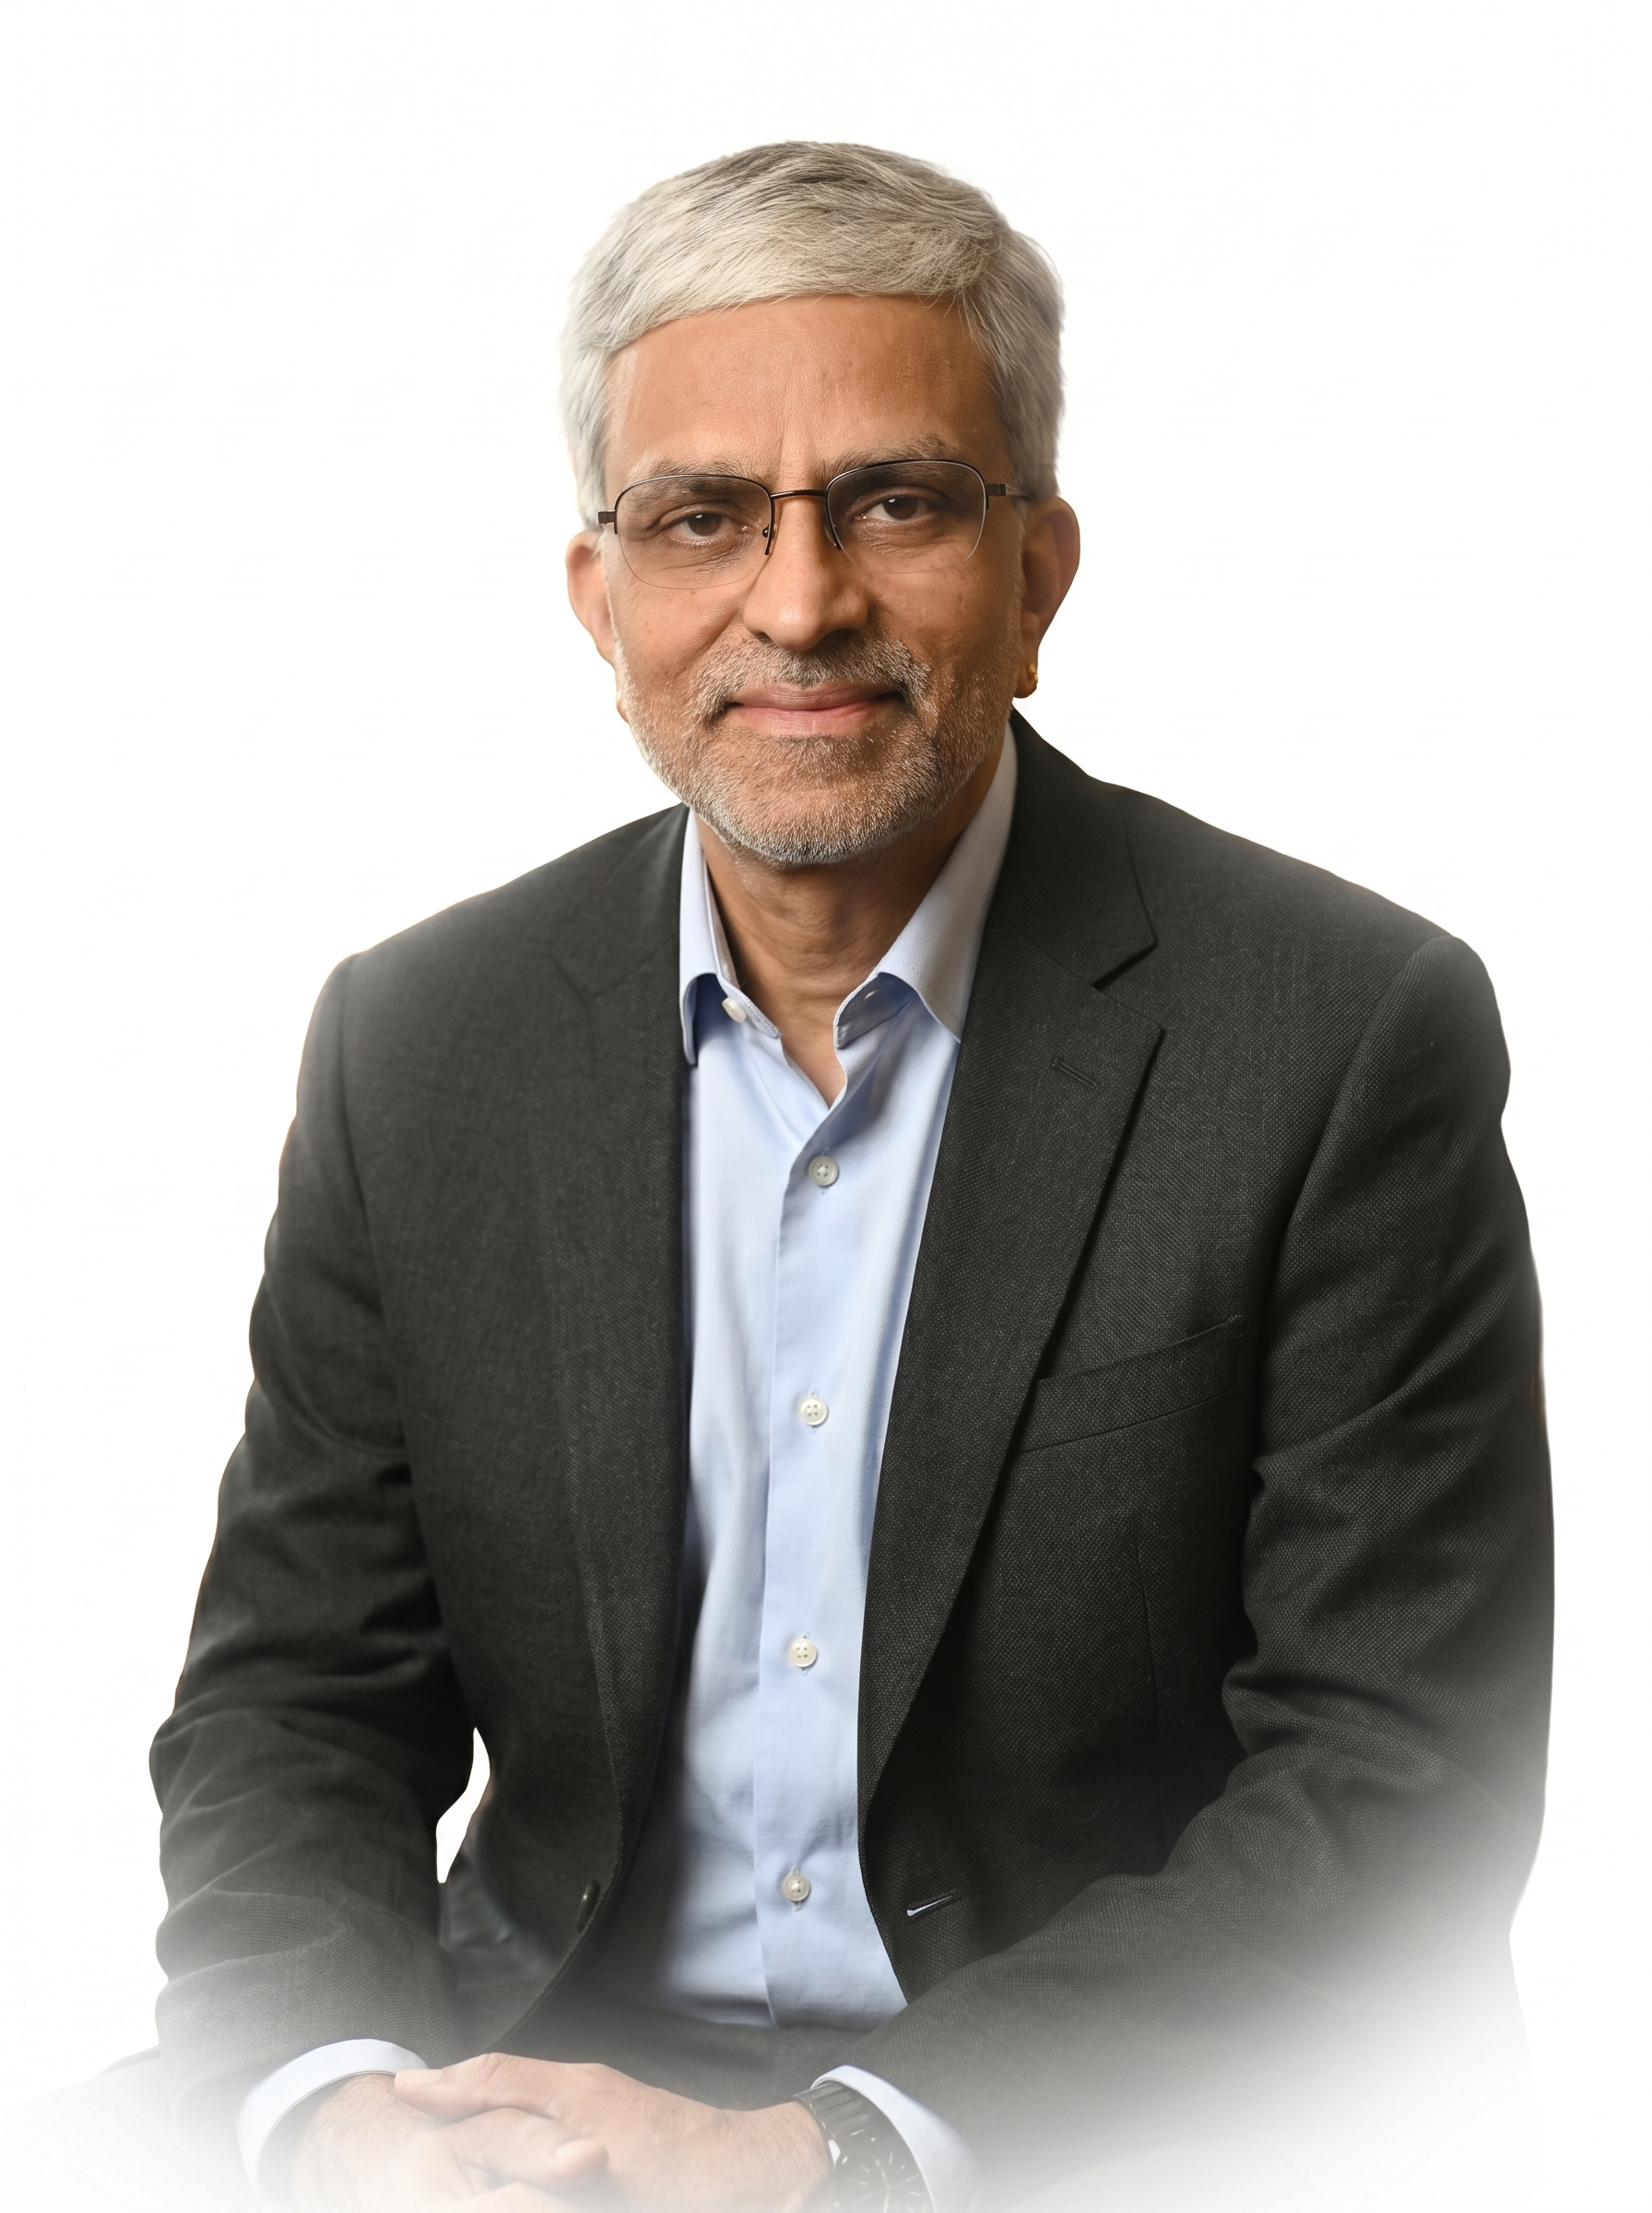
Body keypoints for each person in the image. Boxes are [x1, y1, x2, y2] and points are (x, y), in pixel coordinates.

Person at [16, 141, 1552, 2213]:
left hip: (1075, 2113)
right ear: (603, 601)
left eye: (895, 503)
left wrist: (834, 2154)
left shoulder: (1334, 1033)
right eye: (702, 518)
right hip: (525, 2073)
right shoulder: (423, 1041)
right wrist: (338, 2106)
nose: (800, 603)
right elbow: (297, 1700)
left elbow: (1396, 1781)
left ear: (1037, 574)